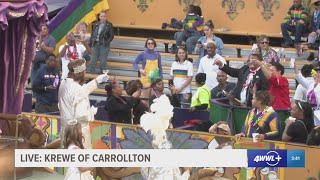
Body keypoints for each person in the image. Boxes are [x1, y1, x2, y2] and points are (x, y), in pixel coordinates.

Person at [58, 59, 109, 148]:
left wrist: (96, 81)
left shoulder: (63, 83)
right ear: (80, 73)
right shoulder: (77, 89)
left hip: (65, 130)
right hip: (78, 132)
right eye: (84, 72)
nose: (85, 74)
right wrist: (91, 113)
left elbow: (80, 91)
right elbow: (81, 115)